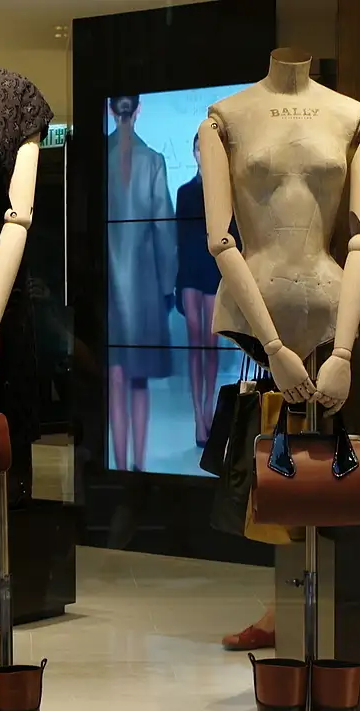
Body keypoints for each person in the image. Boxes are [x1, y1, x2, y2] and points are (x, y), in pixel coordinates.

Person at [107, 95, 177, 472]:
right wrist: (168, 286)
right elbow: (164, 230)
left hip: (104, 285)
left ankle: (118, 466)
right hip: (145, 284)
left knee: (115, 378)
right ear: (139, 110)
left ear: (110, 110)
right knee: (138, 380)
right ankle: (137, 466)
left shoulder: (97, 161)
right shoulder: (153, 161)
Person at [176, 133, 242, 448]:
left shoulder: (226, 194)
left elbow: (235, 237)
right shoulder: (184, 192)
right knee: (195, 345)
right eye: (198, 148)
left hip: (214, 271)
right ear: (193, 153)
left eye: (207, 148)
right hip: (189, 272)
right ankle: (198, 415)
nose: (202, 153)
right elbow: (179, 239)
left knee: (210, 344)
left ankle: (208, 408)